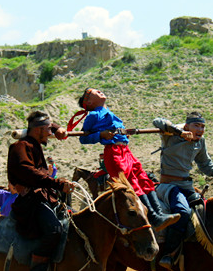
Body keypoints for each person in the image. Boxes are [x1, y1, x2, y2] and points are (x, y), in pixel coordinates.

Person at [75, 88, 178, 231]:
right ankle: (153, 217)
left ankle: (160, 214)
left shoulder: (109, 112)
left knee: (143, 178)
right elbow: (83, 138)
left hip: (126, 151)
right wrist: (100, 135)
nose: (100, 91)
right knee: (132, 183)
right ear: (89, 101)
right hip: (114, 152)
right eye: (94, 92)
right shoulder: (93, 115)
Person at [152, 112, 213, 267]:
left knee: (206, 213)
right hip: (169, 186)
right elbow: (157, 121)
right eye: (196, 125)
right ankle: (168, 254)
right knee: (183, 213)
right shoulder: (170, 134)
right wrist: (180, 133)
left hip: (187, 186)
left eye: (203, 126)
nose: (200, 129)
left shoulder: (200, 142)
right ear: (187, 125)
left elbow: (206, 164)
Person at [8, 111, 75, 271]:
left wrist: (58, 128)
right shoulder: (19, 147)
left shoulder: (34, 142)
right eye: (47, 130)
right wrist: (57, 183)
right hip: (31, 202)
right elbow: (28, 172)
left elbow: (47, 125)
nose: (49, 134)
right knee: (54, 231)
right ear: (38, 130)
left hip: (45, 197)